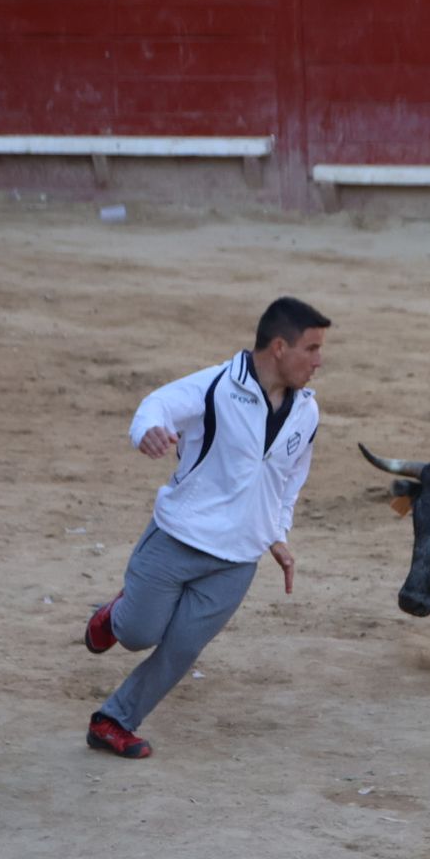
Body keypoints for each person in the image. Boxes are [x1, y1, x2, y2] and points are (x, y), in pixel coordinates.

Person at [81, 297, 331, 758]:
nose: (319, 360)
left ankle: (113, 721)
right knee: (139, 634)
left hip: (238, 559)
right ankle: (115, 616)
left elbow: (288, 480)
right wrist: (148, 432)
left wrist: (277, 533)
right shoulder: (217, 385)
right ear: (279, 347)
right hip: (178, 538)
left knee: (180, 649)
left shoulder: (306, 412)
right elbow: (158, 404)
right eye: (311, 348)